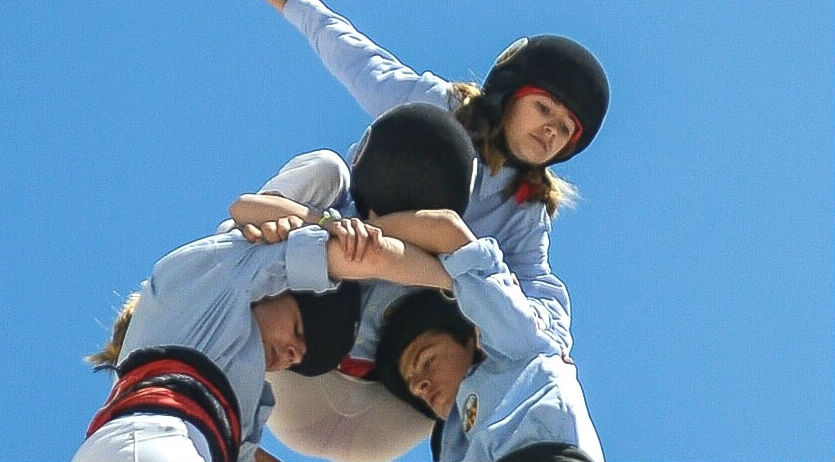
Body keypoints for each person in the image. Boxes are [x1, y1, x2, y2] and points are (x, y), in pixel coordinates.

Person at [74, 104, 474, 462]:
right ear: (276, 288)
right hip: (154, 437)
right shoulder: (216, 273)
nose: (293, 354)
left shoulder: (241, 385)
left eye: (301, 353)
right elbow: (258, 221)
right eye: (301, 331)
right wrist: (472, 288)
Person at [261, 0, 610, 362]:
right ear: (510, 97)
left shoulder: (524, 210)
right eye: (543, 108)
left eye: (565, 129)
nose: (551, 129)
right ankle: (244, 254)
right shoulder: (441, 109)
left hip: (373, 346)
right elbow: (360, 61)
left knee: (484, 313)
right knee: (326, 169)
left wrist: (552, 347)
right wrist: (295, 5)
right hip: (315, 265)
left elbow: (538, 286)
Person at [376, 230, 604, 462]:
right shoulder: (452, 441)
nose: (418, 386)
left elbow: (450, 233)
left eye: (427, 361)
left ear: (472, 337)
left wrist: (369, 231)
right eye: (412, 386)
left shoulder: (516, 342)